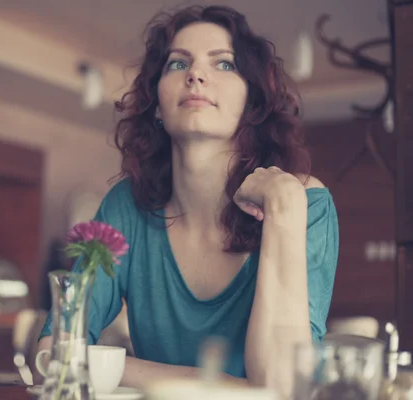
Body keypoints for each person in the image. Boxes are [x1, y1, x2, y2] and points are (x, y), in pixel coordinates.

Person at [37, 4, 338, 394]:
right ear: (157, 104)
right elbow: (53, 352)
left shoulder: (305, 203)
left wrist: (283, 205)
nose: (196, 75)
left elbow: (284, 388)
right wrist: (232, 388)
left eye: (224, 64)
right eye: (178, 64)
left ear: (252, 101)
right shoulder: (124, 206)